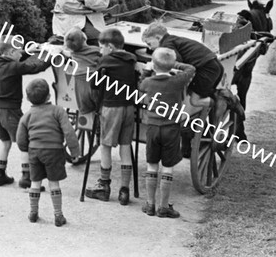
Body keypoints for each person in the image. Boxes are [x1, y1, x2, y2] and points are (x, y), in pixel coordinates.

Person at [142, 22, 224, 157]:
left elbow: (174, 63)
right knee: (194, 97)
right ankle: (211, 100)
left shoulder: (166, 45)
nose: (149, 48)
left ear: (157, 37)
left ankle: (215, 102)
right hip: (211, 65)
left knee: (194, 100)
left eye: (149, 43)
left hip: (207, 69)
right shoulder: (171, 39)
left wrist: (155, 67)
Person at [138, 48, 196, 218]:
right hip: (171, 128)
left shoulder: (148, 83)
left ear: (154, 65)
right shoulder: (178, 81)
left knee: (152, 164)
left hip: (153, 127)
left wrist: (148, 69)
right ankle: (164, 207)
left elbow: (141, 84)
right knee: (168, 167)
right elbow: (191, 69)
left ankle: (150, 204)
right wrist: (174, 64)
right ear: (171, 65)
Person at [16, 78, 81, 226]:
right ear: (49, 96)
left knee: (35, 182)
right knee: (54, 183)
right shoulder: (58, 111)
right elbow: (69, 132)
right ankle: (58, 215)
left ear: (28, 98)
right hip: (54, 151)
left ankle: (33, 212)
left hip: (34, 152)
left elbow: (20, 138)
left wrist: (26, 148)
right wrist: (75, 151)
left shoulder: (27, 116)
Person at [85, 28, 137, 205]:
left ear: (109, 47)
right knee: (125, 146)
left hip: (111, 107)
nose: (100, 51)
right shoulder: (132, 60)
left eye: (101, 47)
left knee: (105, 145)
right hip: (129, 108)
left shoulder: (106, 60)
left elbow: (94, 84)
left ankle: (104, 186)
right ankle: (124, 190)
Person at [0, 36, 51, 188]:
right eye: (19, 51)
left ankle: (0, 175)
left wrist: (28, 51)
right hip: (11, 112)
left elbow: (17, 60)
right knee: (25, 143)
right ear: (11, 52)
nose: (21, 54)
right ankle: (27, 178)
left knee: (5, 143)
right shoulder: (14, 67)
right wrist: (51, 55)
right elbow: (36, 67)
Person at [63, 27, 102, 114]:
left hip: (81, 87)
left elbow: (66, 52)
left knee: (88, 112)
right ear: (84, 38)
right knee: (100, 109)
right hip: (95, 84)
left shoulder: (74, 54)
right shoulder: (96, 50)